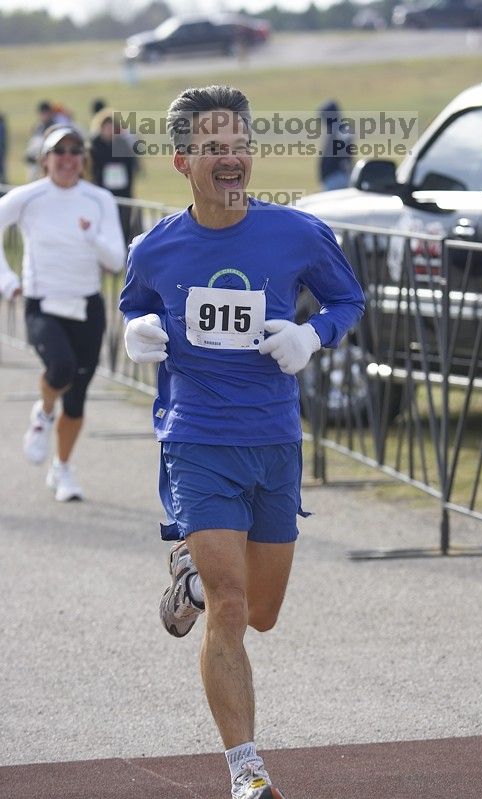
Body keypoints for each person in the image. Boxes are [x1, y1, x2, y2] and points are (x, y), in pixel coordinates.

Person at [119, 85, 365, 799]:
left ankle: (191, 576)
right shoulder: (155, 247)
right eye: (213, 148)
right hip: (196, 438)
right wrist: (134, 332)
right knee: (231, 603)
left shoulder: (296, 233)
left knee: (261, 610)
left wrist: (310, 334)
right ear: (182, 160)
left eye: (238, 146)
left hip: (273, 440)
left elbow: (347, 298)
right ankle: (246, 771)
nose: (230, 160)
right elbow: (134, 306)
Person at [0, 125, 126, 501]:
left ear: (83, 159)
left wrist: (92, 237)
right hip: (43, 301)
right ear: (45, 160)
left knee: (78, 397)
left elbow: (116, 259)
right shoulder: (29, 196)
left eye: (75, 151)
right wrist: (7, 281)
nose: (67, 159)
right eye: (60, 151)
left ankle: (63, 468)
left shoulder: (99, 198)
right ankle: (43, 412)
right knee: (60, 369)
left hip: (86, 303)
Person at [88, 107, 139, 243]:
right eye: (106, 127)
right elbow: (91, 167)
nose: (109, 130)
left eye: (112, 127)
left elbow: (131, 164)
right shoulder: (94, 145)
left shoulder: (122, 143)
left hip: (123, 192)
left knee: (123, 223)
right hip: (102, 190)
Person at [317, 99, 354, 191]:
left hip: (337, 177)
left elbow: (345, 154)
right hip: (334, 177)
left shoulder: (340, 130)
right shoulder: (338, 129)